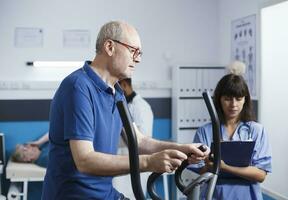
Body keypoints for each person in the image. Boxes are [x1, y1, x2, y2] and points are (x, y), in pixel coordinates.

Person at [42, 20, 209, 200]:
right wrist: (149, 162)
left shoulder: (117, 93)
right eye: (133, 51)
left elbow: (138, 141)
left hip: (105, 194)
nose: (138, 59)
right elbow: (84, 160)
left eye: (140, 53)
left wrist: (182, 149)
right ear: (109, 47)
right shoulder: (78, 86)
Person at [193, 61, 272, 200]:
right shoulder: (205, 131)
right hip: (214, 194)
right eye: (228, 99)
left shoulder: (256, 131)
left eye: (238, 98)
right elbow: (200, 171)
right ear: (219, 100)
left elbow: (261, 175)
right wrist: (207, 165)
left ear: (245, 100)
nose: (233, 104)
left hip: (248, 195)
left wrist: (224, 167)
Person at [115, 78, 154, 198]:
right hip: (120, 160)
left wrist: (120, 128)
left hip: (135, 161)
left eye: (118, 88)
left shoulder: (142, 107)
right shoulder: (123, 104)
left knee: (132, 195)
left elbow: (142, 139)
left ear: (125, 85)